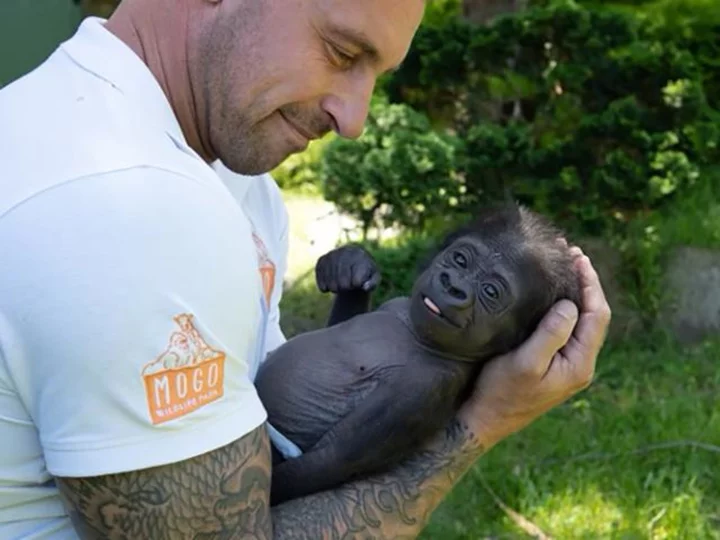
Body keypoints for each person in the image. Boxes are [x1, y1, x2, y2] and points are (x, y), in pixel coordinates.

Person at [0, 0, 611, 538]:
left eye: (375, 75)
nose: (354, 120)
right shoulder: (130, 202)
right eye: (342, 51)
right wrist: (485, 421)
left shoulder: (234, 181)